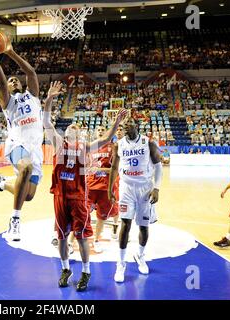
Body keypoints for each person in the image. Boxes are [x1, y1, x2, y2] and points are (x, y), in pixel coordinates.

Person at [44, 81, 128, 292]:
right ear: (66, 133)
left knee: (81, 237)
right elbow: (46, 122)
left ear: (80, 134)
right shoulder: (58, 144)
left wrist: (117, 122)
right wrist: (49, 99)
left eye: (76, 126)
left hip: (79, 198)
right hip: (60, 198)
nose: (72, 127)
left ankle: (86, 271)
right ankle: (65, 269)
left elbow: (107, 137)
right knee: (62, 237)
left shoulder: (85, 148)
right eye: (70, 126)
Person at [0, 34, 43, 242]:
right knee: (25, 168)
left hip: (35, 150)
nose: (13, 80)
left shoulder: (33, 95)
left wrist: (10, 52)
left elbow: (31, 72)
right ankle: (15, 221)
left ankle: (0, 184)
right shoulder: (8, 102)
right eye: (10, 81)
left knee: (28, 195)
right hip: (16, 145)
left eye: (15, 79)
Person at [108, 116, 163, 283]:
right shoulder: (119, 144)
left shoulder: (148, 143)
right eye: (124, 124)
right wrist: (109, 188)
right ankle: (121, 263)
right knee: (125, 223)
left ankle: (140, 255)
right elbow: (115, 167)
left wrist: (157, 188)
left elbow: (159, 165)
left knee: (144, 226)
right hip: (126, 187)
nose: (126, 125)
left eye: (129, 123)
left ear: (137, 126)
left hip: (145, 188)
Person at [87, 125, 123, 253]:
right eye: (99, 130)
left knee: (108, 213)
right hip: (90, 187)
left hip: (106, 187)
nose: (101, 131)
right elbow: (84, 167)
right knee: (82, 214)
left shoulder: (113, 147)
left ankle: (102, 236)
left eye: (103, 130)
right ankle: (71, 240)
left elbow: (116, 169)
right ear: (95, 132)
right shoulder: (90, 148)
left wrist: (100, 170)